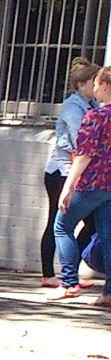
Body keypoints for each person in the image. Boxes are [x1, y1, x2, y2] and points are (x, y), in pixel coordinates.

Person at [50, 65, 111, 299]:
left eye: (96, 84)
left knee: (62, 226)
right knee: (107, 235)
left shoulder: (95, 117)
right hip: (109, 184)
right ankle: (109, 291)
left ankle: (68, 282)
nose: (94, 89)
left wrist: (68, 186)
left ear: (104, 86)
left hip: (91, 182)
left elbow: (84, 154)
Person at [43, 58, 101, 287]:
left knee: (92, 223)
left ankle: (70, 274)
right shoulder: (72, 106)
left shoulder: (94, 106)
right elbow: (82, 138)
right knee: (56, 222)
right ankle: (48, 274)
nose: (97, 87)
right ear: (82, 84)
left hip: (82, 171)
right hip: (62, 170)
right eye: (93, 82)